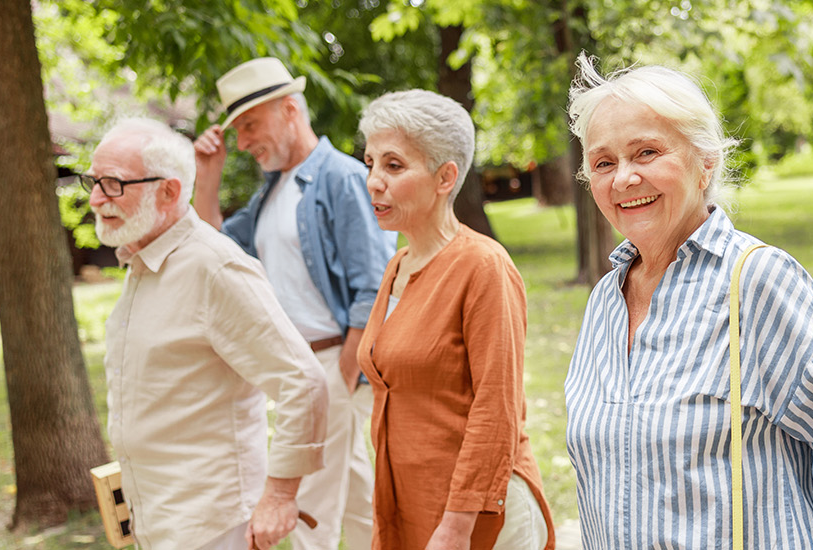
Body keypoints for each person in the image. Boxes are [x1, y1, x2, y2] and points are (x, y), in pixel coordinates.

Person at [563, 55, 813, 549]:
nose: (623, 178)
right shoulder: (606, 299)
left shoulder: (756, 280)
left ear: (705, 160)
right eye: (604, 162)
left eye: (647, 152)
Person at [87, 118, 328, 550]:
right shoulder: (141, 262)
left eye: (113, 184)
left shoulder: (214, 268)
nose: (95, 198)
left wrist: (279, 496)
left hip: (214, 526)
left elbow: (302, 380)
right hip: (160, 520)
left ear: (169, 191)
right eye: (93, 180)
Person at [192, 57, 394, 550]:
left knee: (307, 513)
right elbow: (208, 245)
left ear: (289, 110)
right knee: (360, 507)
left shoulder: (341, 179)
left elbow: (372, 286)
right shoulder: (270, 194)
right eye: (236, 130)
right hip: (297, 369)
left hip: (329, 368)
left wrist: (342, 379)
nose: (242, 142)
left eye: (249, 126)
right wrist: (208, 175)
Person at [355, 89, 554, 550]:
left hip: (476, 517)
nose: (373, 181)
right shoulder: (398, 264)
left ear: (445, 177)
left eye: (393, 165)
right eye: (370, 163)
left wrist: (457, 525)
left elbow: (496, 408)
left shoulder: (483, 266)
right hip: (413, 503)